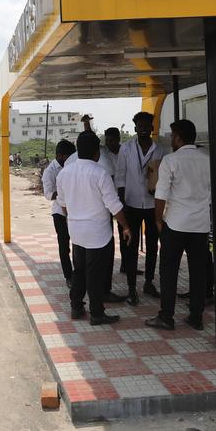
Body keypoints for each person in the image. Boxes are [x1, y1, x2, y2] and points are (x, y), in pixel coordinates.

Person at [57, 131, 132, 325]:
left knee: (79, 270)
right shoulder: (100, 173)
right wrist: (125, 226)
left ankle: (76, 306)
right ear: (96, 153)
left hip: (76, 230)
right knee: (95, 274)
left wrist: (74, 217)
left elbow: (63, 204)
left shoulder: (64, 173)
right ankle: (97, 313)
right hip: (98, 233)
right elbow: (114, 205)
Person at [148, 120, 212, 331]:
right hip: (200, 225)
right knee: (198, 271)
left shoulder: (171, 160)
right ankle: (196, 316)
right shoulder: (207, 159)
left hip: (175, 224)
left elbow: (161, 194)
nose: (171, 139)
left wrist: (158, 220)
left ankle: (166, 316)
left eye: (172, 135)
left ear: (178, 137)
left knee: (169, 270)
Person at [115, 111, 167, 305]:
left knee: (153, 244)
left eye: (147, 126)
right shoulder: (126, 149)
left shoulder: (159, 150)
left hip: (153, 204)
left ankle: (149, 282)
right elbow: (120, 176)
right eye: (140, 126)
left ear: (152, 128)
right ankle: (131, 287)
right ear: (135, 128)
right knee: (131, 246)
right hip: (131, 203)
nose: (144, 129)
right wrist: (121, 202)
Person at [97, 127, 127, 303]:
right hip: (108, 202)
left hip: (122, 198)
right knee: (108, 240)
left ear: (118, 139)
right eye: (107, 140)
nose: (110, 143)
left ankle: (124, 263)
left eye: (112, 140)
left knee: (124, 235)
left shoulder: (125, 152)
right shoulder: (103, 154)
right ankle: (104, 291)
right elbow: (91, 141)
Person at [42, 140, 77, 287]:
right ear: (61, 156)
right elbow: (48, 194)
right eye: (69, 157)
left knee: (78, 244)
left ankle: (79, 274)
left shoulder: (74, 166)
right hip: (60, 213)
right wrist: (64, 192)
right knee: (64, 245)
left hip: (75, 211)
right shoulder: (50, 171)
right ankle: (68, 276)